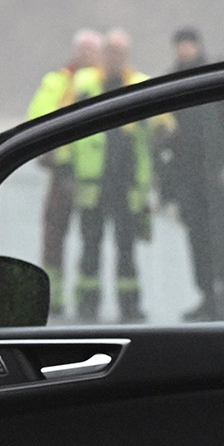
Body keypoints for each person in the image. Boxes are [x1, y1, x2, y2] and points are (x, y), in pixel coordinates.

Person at [158, 26, 224, 320]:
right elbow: (162, 131)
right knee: (196, 239)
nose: (184, 50)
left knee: (220, 237)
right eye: (180, 45)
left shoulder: (216, 78)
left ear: (197, 45)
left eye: (189, 44)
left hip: (215, 175)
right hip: (187, 177)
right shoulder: (170, 82)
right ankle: (207, 297)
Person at [68, 28, 153, 321]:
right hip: (94, 181)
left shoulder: (141, 85)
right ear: (103, 54)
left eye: (121, 52)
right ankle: (87, 304)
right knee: (90, 245)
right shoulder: (85, 83)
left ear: (127, 55)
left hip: (127, 183)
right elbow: (64, 125)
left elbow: (162, 124)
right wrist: (65, 164)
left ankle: (130, 307)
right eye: (111, 52)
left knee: (127, 248)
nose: (115, 57)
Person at [26, 28, 101, 311]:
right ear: (74, 51)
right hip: (61, 172)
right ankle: (53, 296)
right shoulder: (57, 81)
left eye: (92, 50)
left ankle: (87, 297)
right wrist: (43, 152)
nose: (86, 54)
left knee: (92, 235)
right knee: (54, 233)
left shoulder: (105, 82)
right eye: (82, 49)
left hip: (95, 175)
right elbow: (37, 116)